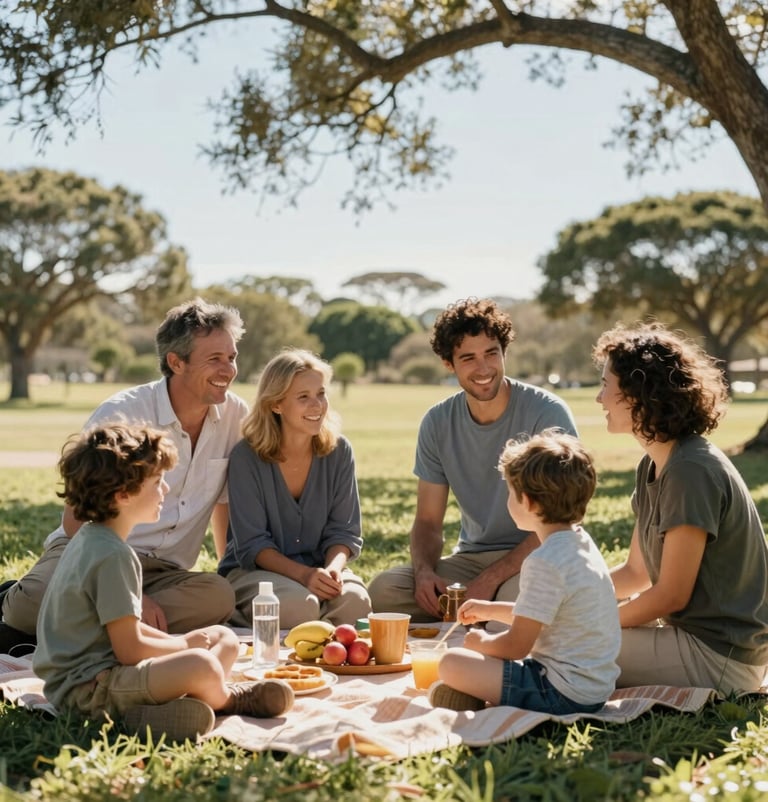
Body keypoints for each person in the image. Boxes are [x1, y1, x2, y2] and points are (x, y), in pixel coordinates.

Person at [0, 298, 249, 654]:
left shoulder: (236, 416)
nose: (229, 369)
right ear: (176, 362)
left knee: (219, 597)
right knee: (27, 606)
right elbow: (76, 518)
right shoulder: (123, 413)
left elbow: (223, 504)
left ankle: (73, 633)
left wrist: (226, 568)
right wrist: (131, 595)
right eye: (215, 359)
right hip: (94, 553)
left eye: (232, 357)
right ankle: (36, 613)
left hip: (165, 572)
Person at [33, 423, 294, 742]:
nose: (165, 491)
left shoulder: (95, 539)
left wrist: (186, 643)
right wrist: (184, 646)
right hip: (90, 690)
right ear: (123, 495)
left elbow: (123, 628)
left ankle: (157, 712)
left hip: (100, 674)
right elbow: (130, 649)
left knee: (223, 638)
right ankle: (231, 699)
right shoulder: (112, 555)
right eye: (157, 482)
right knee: (199, 662)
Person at [368, 298, 578, 621]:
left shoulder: (546, 413)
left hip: (538, 553)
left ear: (504, 353)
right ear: (449, 364)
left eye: (491, 353)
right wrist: (424, 573)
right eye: (468, 358)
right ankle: (470, 619)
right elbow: (427, 522)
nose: (483, 369)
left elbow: (561, 521)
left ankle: (481, 624)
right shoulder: (437, 423)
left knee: (513, 606)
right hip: (471, 559)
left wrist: (491, 580)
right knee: (384, 591)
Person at [594, 321, 768, 694]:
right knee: (556, 634)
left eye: (605, 386)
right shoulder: (655, 464)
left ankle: (490, 687)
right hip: (687, 640)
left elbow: (671, 595)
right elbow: (637, 573)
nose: (599, 399)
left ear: (638, 395)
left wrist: (589, 623)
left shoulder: (690, 470)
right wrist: (572, 599)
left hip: (720, 658)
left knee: (565, 644)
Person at [429, 430, 620, 713]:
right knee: (476, 665)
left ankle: (479, 690)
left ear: (528, 502)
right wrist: (490, 610)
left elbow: (516, 645)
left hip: (558, 691)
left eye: (510, 493)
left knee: (451, 662)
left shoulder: (545, 561)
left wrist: (481, 643)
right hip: (593, 689)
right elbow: (541, 614)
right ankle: (479, 691)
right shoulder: (579, 544)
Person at [218, 348, 371, 629]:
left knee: (355, 600)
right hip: (256, 572)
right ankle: (234, 617)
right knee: (298, 606)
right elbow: (253, 545)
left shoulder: (339, 451)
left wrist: (333, 571)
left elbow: (344, 532)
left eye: (321, 394)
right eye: (304, 397)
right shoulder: (246, 457)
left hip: (319, 568)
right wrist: (304, 576)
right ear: (276, 404)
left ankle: (315, 636)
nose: (317, 406)